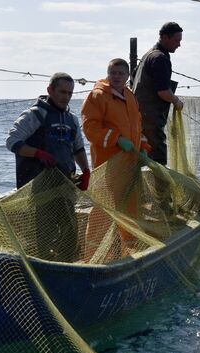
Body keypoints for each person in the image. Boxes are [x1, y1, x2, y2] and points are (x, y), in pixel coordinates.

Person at [6, 72, 90, 262]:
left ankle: (67, 267)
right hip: (38, 187)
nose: (66, 97)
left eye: (70, 93)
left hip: (65, 184)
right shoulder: (35, 114)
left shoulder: (72, 119)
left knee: (69, 231)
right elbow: (12, 141)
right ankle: (41, 268)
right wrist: (37, 153)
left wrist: (85, 170)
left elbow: (78, 148)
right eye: (62, 92)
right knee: (41, 233)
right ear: (50, 90)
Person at [81, 58, 151, 260]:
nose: (117, 77)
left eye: (121, 73)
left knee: (130, 210)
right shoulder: (97, 96)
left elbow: (138, 128)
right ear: (107, 74)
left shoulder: (130, 96)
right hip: (108, 165)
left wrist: (143, 147)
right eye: (113, 73)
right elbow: (90, 127)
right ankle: (94, 256)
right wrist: (116, 139)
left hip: (130, 166)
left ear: (128, 76)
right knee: (103, 211)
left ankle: (127, 253)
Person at [132, 21, 184, 166]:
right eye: (176, 40)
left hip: (138, 117)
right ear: (165, 37)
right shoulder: (160, 58)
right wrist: (177, 102)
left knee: (142, 158)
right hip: (151, 121)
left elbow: (133, 80)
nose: (179, 45)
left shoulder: (147, 55)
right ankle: (159, 189)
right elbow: (163, 92)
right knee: (157, 160)